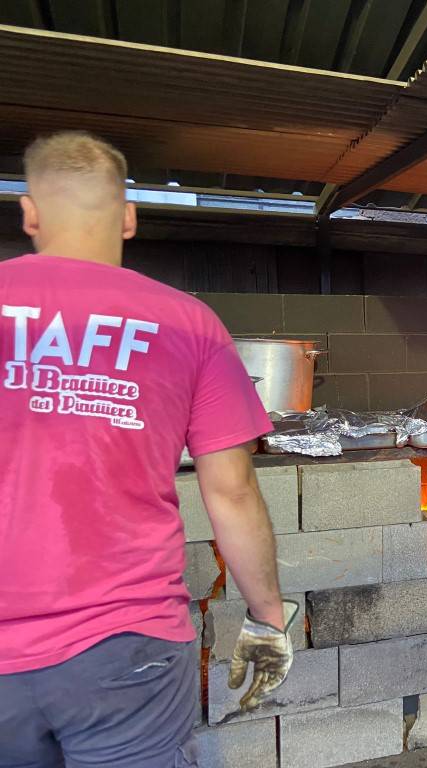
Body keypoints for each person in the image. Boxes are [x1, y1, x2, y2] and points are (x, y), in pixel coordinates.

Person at [0, 132, 297, 767]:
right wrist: (268, 617)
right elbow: (231, 491)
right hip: (129, 652)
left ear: (28, 212)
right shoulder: (188, 323)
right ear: (129, 217)